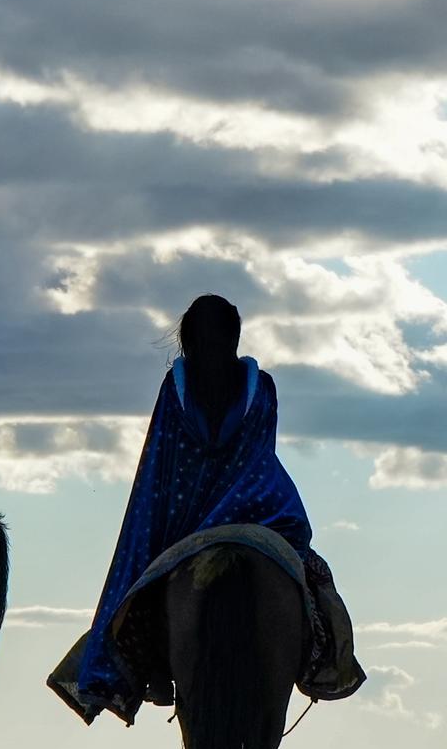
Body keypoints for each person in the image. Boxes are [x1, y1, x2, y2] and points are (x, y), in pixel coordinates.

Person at [49, 293, 364, 725]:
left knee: (138, 593)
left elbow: (161, 462)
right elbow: (260, 451)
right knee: (314, 581)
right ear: (235, 338)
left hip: (187, 510)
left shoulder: (174, 392)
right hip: (259, 506)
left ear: (187, 339)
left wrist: (161, 523)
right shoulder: (263, 389)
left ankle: (146, 673)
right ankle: (327, 661)